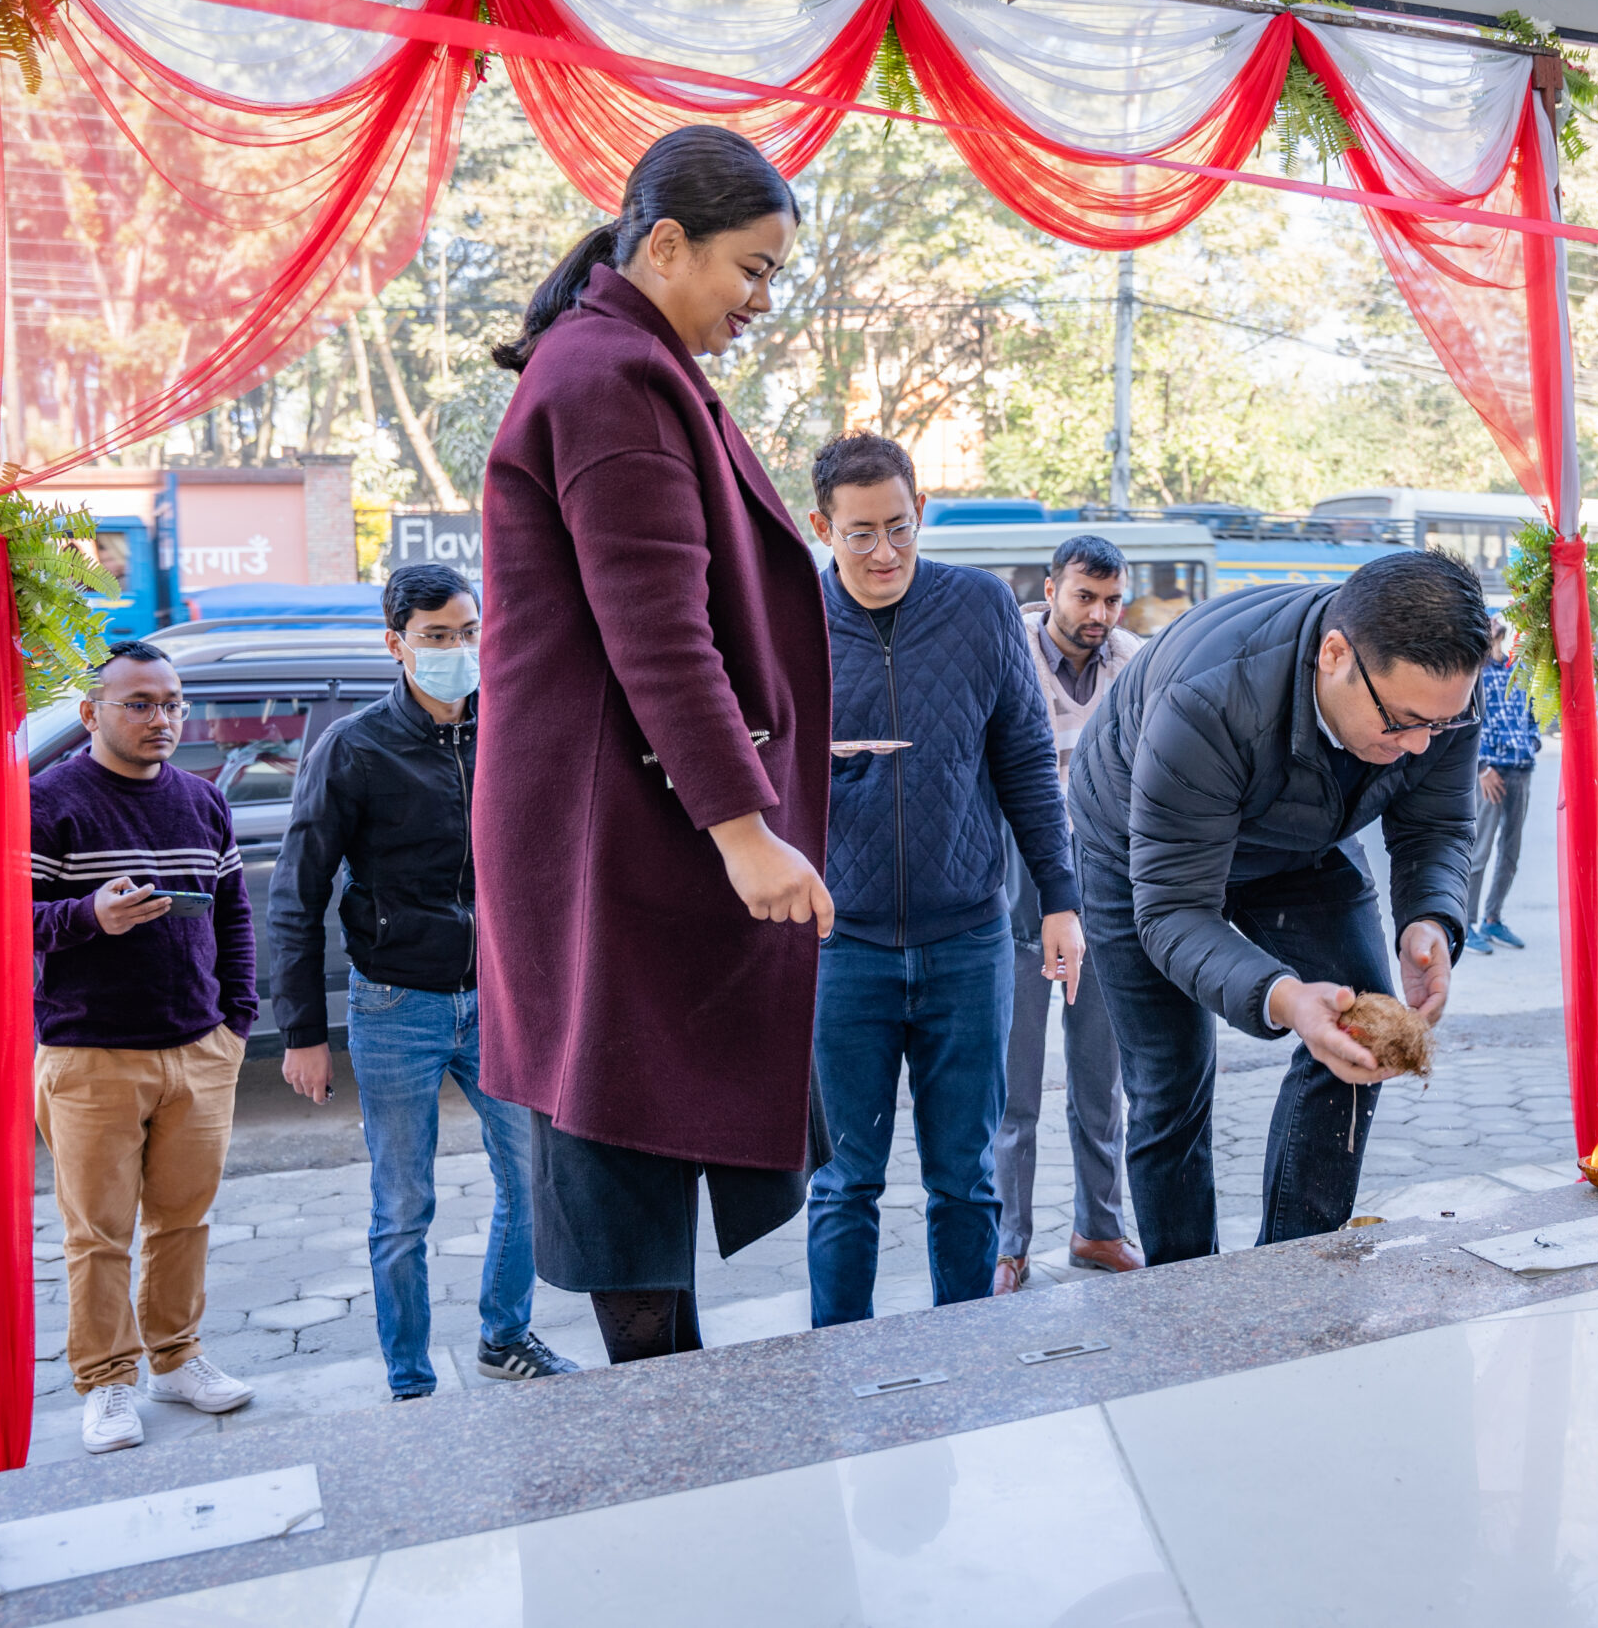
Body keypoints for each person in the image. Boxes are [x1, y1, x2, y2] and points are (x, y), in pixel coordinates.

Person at [475, 125, 835, 1367]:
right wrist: (745, 833)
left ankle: (666, 1429)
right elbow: (658, 634)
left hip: (614, 828)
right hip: (613, 844)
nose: (760, 301)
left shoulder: (620, 364)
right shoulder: (610, 378)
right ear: (668, 245)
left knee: (630, 1142)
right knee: (618, 1155)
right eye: (752, 269)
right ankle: (655, 1442)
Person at [1070, 550, 1486, 1265]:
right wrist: (1286, 997)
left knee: (1359, 1030)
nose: (1421, 745)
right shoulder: (1210, 697)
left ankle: (1294, 1271)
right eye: (1403, 723)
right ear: (1335, 655)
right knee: (1170, 1081)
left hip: (1297, 836)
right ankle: (1187, 1292)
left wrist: (1430, 917)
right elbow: (1173, 909)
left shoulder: (1442, 698)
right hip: (1138, 847)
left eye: (1439, 728)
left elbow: (1438, 825)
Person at [270, 564, 576, 1401]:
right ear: (396, 643)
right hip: (395, 1004)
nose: (457, 649)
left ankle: (504, 1336)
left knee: (533, 1180)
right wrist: (303, 1032)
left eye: (469, 632)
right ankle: (410, 1379)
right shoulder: (354, 747)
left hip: (500, 1000)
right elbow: (297, 894)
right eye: (436, 636)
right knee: (403, 1204)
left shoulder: (506, 730)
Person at [805, 433, 1085, 1325]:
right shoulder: (790, 621)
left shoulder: (980, 605)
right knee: (843, 1180)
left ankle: (967, 1366)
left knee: (964, 1179)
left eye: (900, 526)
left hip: (969, 940)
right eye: (860, 534)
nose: (884, 552)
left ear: (920, 510)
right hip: (839, 945)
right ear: (822, 527)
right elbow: (752, 769)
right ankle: (836, 1365)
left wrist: (1061, 899)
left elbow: (1026, 759)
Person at [30, 641, 260, 1454]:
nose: (161, 718)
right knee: (97, 1232)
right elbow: (5, 921)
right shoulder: (48, 801)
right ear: (90, 712)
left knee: (183, 1219)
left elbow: (233, 912)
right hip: (91, 1053)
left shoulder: (202, 799)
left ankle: (177, 1355)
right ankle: (106, 1380)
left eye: (171, 702)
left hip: (199, 1047)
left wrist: (236, 1021)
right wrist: (89, 915)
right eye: (139, 703)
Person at [995, 534, 1144, 1295]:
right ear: (1051, 588)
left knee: (1099, 1079)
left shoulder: (1134, 662)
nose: (1100, 614)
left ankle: (1099, 1228)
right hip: (1018, 878)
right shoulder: (1008, 649)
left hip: (1104, 882)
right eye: (1085, 596)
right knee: (1014, 1084)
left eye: (1113, 600)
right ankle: (1008, 1245)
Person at [1467, 618, 1539, 956]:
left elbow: (1533, 715)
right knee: (1479, 852)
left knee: (1511, 852)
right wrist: (1482, 768)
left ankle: (1492, 918)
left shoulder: (1518, 670)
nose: (1496, 622)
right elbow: (1464, 723)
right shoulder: (1473, 673)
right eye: (1489, 620)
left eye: (1497, 620)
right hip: (1490, 774)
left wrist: (1531, 743)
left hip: (1520, 770)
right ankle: (1465, 924)